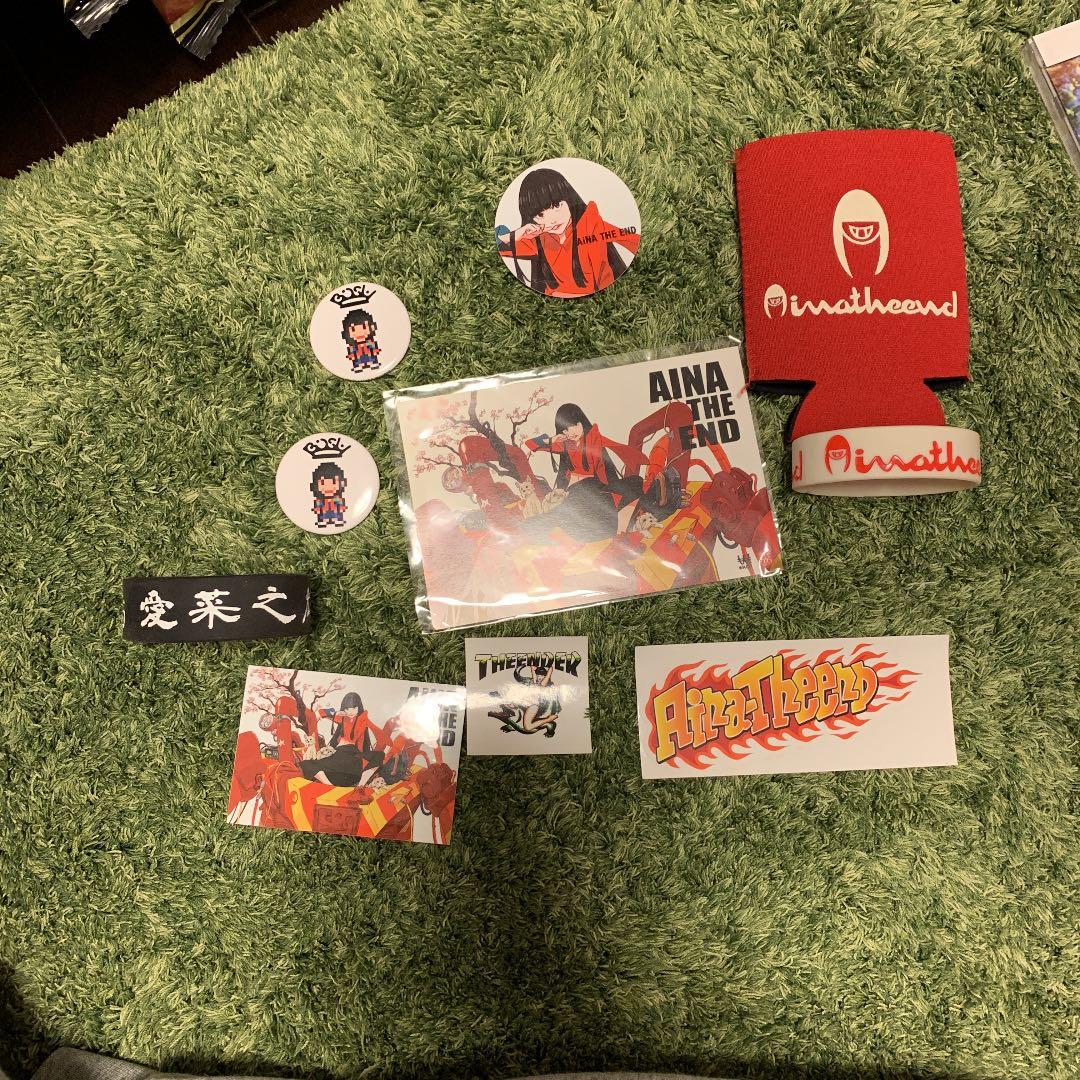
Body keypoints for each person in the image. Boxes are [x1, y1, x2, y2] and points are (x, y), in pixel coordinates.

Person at [497, 168, 639, 297]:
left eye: (557, 206)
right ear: (531, 218)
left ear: (569, 199)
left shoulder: (590, 224)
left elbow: (632, 238)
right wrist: (517, 234)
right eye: (540, 214)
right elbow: (500, 247)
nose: (552, 220)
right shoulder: (538, 237)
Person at [522, 403, 647, 542]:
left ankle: (619, 528)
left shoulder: (594, 438)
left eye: (572, 427)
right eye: (564, 431)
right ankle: (534, 527)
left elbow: (611, 451)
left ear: (580, 422)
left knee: (636, 481)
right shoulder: (566, 443)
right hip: (576, 491)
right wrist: (551, 439)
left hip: (595, 488)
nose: (570, 433)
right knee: (564, 513)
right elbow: (530, 444)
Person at [298, 692, 387, 787]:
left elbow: (383, 737)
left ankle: (361, 785)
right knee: (306, 764)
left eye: (354, 708)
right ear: (344, 709)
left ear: (359, 708)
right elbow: (320, 713)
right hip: (338, 756)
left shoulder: (364, 719)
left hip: (353, 757)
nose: (351, 712)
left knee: (380, 755)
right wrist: (336, 712)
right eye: (347, 709)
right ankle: (329, 785)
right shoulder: (343, 718)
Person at [341, 308, 380, 373]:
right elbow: (352, 354)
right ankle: (357, 366)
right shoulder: (353, 347)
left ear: (372, 327)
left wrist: (374, 351)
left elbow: (374, 350)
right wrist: (352, 356)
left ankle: (373, 363)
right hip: (358, 359)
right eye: (353, 329)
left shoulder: (370, 343)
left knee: (372, 358)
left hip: (370, 357)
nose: (359, 332)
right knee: (357, 361)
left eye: (364, 327)